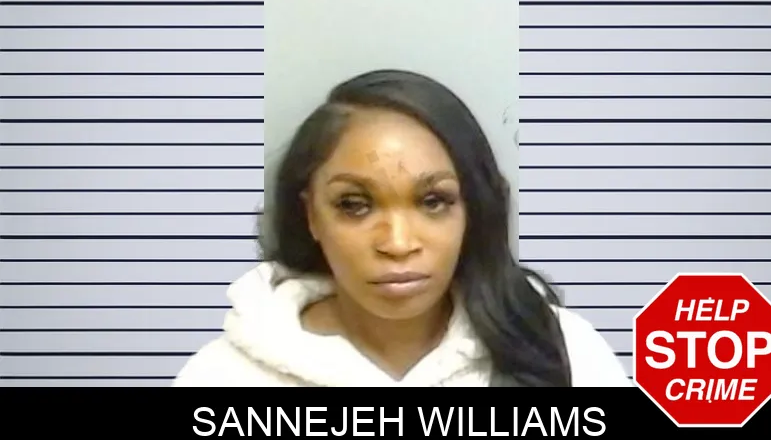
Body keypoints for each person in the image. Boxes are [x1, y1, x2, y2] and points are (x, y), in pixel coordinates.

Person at [173, 69, 631, 387]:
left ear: (473, 210)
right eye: (354, 205)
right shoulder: (222, 378)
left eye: (433, 202)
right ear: (311, 215)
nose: (397, 243)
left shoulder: (567, 353)